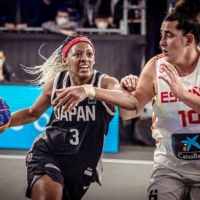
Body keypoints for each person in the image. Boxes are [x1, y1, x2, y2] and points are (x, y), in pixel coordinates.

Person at [8, 35, 138, 200]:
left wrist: (88, 91)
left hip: (82, 164)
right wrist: (5, 122)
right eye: (77, 54)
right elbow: (32, 113)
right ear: (65, 60)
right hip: (48, 152)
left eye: (89, 54)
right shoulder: (56, 83)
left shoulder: (104, 83)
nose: (84, 59)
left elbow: (131, 102)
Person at [119, 0, 200, 199]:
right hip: (169, 168)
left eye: (169, 35)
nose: (161, 41)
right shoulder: (155, 66)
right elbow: (129, 113)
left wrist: (181, 94)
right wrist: (125, 95)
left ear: (188, 39)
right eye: (162, 34)